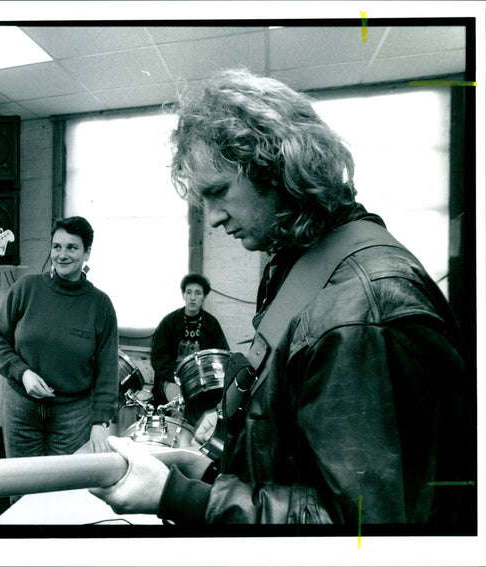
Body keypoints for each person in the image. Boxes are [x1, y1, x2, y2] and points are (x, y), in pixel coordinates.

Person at [90, 69, 474, 529]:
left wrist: (179, 497)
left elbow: (361, 527)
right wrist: (206, 473)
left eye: (217, 193)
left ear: (276, 168)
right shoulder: (299, 262)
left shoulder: (361, 307)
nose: (212, 218)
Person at [0, 216, 119, 458]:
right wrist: (22, 372)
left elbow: (108, 370)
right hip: (21, 407)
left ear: (87, 253)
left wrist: (101, 422)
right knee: (20, 485)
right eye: (56, 246)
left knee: (63, 488)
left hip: (73, 414)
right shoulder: (26, 288)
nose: (61, 254)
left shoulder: (99, 304)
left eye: (72, 247)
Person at [150, 273, 229, 407]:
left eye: (198, 293)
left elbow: (222, 355)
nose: (193, 298)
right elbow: (158, 358)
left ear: (204, 297)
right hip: (173, 379)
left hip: (202, 381)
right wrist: (179, 377)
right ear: (183, 295)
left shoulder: (211, 324)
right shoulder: (169, 322)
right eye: (189, 292)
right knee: (180, 405)